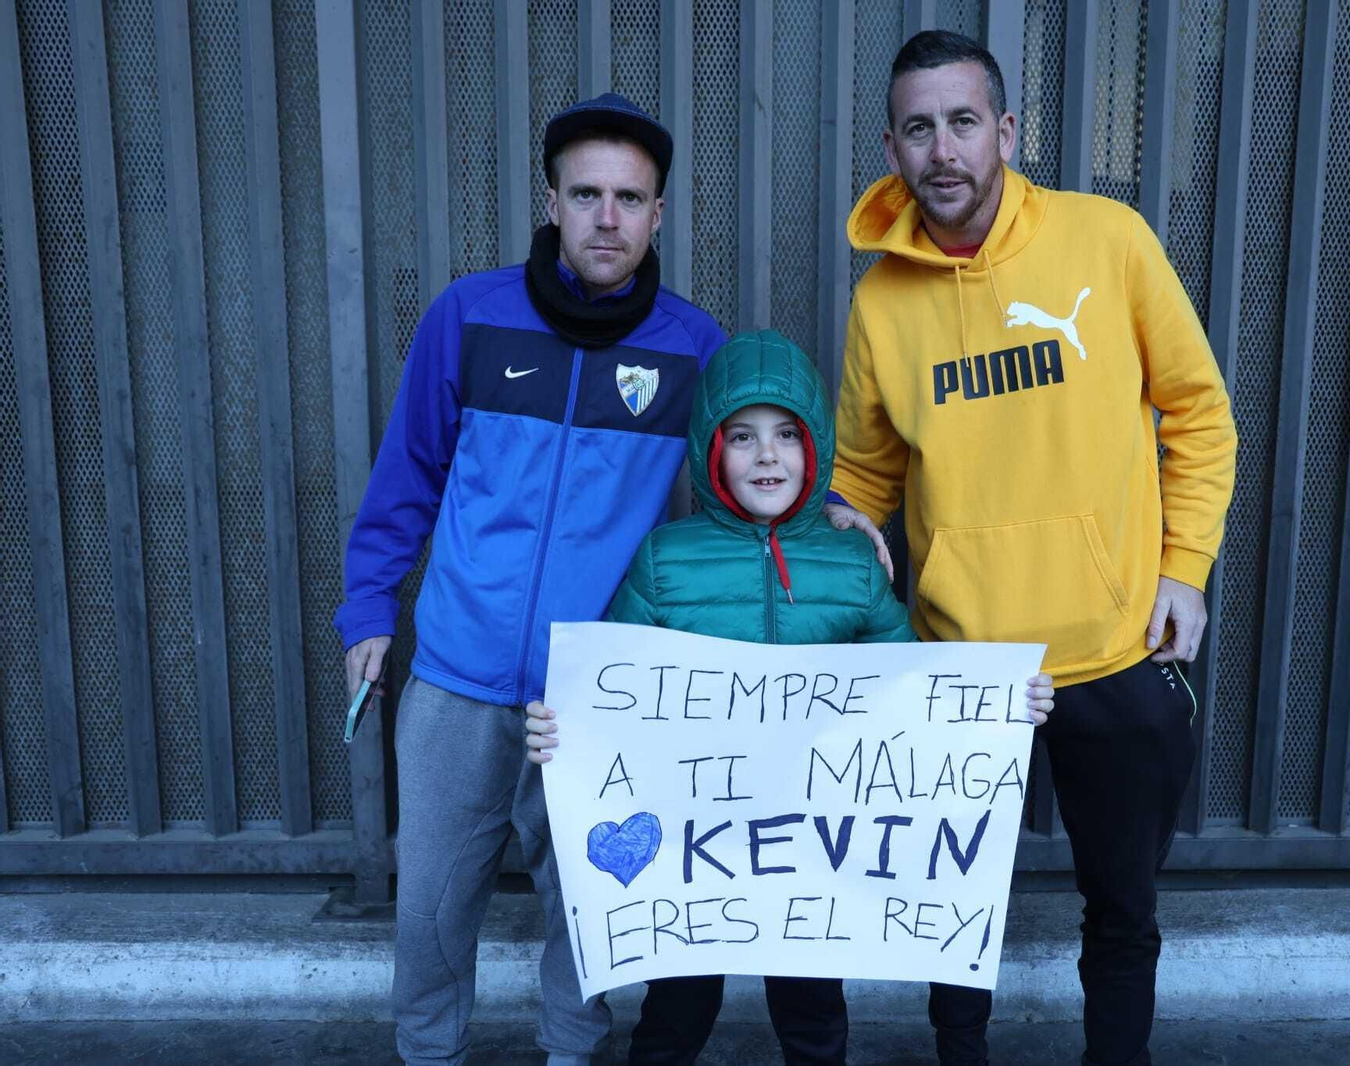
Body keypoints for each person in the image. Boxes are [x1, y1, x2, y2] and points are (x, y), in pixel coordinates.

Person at [821, 31, 1238, 1066]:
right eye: (918, 129)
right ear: (891, 146)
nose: (942, 150)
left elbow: (1198, 411)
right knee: (953, 920)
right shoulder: (880, 301)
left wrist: (1185, 567)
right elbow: (864, 475)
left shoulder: (1107, 240)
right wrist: (833, 550)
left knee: (1123, 911)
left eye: (964, 122)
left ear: (1006, 131)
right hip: (964, 668)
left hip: (1115, 650)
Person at [524, 329, 1056, 1064]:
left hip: (812, 851)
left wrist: (996, 709)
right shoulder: (664, 559)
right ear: (712, 451)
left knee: (811, 1012)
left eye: (786, 436)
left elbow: (910, 688)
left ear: (816, 451)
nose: (767, 455)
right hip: (692, 846)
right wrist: (564, 732)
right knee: (678, 1009)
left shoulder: (854, 565)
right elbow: (613, 683)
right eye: (742, 437)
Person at [334, 92, 728, 1066]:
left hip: (594, 696)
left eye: (629, 198)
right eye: (586, 193)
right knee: (429, 908)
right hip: (456, 679)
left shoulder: (691, 349)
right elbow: (407, 477)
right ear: (550, 201)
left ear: (658, 213)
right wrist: (366, 610)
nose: (607, 217)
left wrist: (836, 516)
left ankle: (570, 1054)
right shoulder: (468, 317)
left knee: (588, 912)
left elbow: (755, 481)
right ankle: (428, 1052)